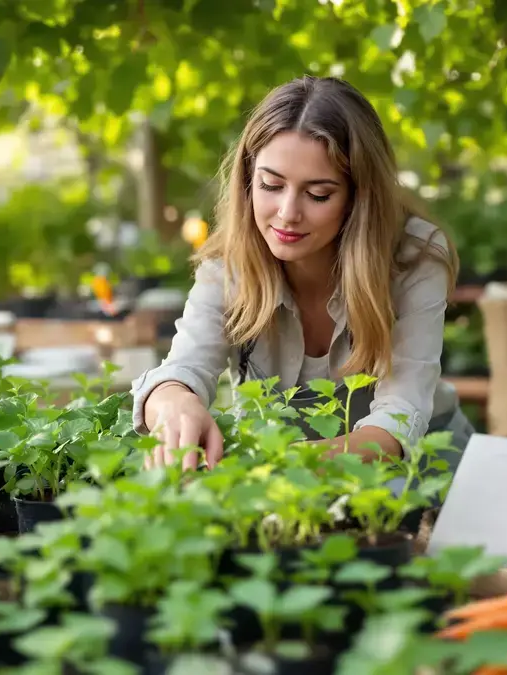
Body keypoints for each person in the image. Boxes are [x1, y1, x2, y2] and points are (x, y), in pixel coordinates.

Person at [131, 75, 472, 473]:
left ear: (359, 198)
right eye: (271, 185)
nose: (288, 213)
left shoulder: (413, 257)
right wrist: (175, 402)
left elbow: (400, 416)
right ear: (247, 180)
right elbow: (182, 369)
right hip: (286, 482)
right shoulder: (229, 265)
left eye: (318, 194)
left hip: (424, 467)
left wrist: (279, 464)